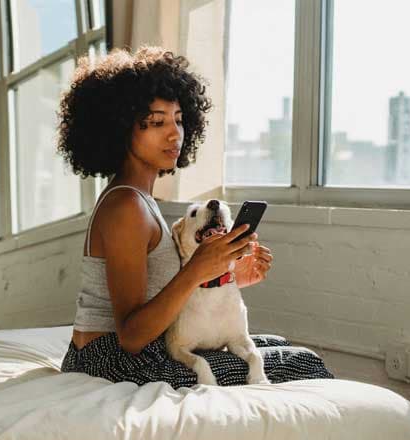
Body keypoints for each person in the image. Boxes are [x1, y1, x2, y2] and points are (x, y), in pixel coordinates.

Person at [56, 46, 334, 386]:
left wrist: (221, 273)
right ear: (119, 129)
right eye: (156, 122)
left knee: (277, 346)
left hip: (123, 354)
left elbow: (160, 296)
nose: (174, 133)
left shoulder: (139, 199)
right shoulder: (126, 206)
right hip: (110, 362)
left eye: (178, 119)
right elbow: (131, 335)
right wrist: (198, 269)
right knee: (301, 363)